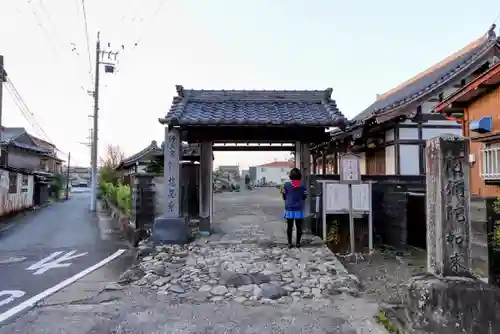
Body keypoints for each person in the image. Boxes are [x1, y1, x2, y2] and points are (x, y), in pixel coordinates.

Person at [282, 168, 307, 248]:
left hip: (289, 208)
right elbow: (304, 197)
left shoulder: (286, 185)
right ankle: (298, 243)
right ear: (300, 176)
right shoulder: (303, 186)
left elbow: (284, 197)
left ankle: (289, 243)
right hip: (299, 209)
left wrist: (284, 194)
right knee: (299, 226)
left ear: (290, 176)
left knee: (290, 226)